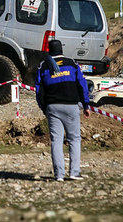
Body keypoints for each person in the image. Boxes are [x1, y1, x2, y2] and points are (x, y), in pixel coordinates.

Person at [35, 39, 90, 182]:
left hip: (53, 106)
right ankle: (74, 172)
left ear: (49, 50)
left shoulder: (43, 65)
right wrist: (86, 105)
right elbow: (82, 84)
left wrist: (44, 108)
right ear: (61, 50)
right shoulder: (72, 63)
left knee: (56, 141)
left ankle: (59, 175)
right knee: (74, 139)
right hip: (71, 105)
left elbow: (39, 90)